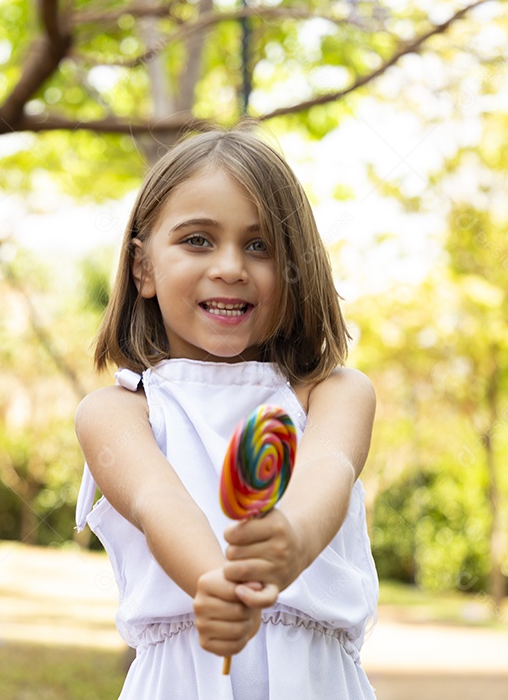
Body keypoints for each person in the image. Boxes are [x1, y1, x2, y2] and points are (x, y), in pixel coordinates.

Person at [74, 127, 378, 699]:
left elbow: (328, 470)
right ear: (142, 268)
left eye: (260, 246)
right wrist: (214, 583)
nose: (231, 267)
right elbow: (157, 500)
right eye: (197, 240)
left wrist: (291, 538)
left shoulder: (333, 393)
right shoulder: (118, 412)